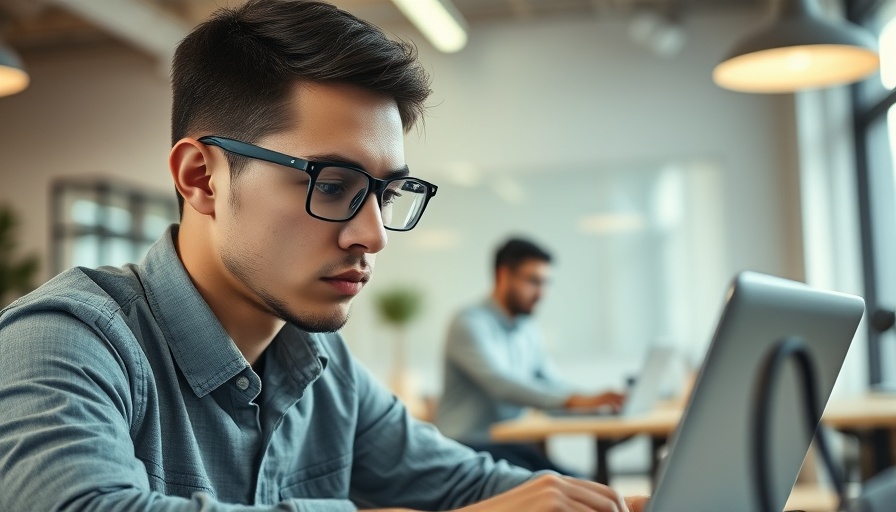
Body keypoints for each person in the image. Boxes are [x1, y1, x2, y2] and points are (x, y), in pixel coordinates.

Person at [0, 1, 647, 511]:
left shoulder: (319, 363)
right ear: (201, 179)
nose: (373, 236)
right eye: (332, 186)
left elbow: (464, 484)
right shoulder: (66, 340)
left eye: (387, 194)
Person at [435, 238, 626, 475]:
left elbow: (551, 382)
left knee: (580, 480)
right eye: (533, 281)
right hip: (467, 446)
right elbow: (501, 384)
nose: (542, 293)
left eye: (546, 283)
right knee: (568, 487)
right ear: (503, 275)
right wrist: (574, 400)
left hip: (510, 442)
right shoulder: (469, 322)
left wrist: (594, 401)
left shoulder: (527, 328)